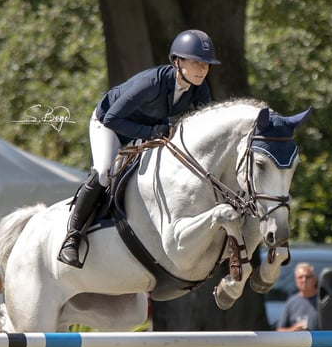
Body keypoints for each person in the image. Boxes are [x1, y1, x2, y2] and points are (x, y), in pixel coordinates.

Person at [58, 29, 221, 267]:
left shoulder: (200, 88)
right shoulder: (151, 83)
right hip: (109, 125)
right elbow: (113, 118)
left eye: (206, 64)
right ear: (177, 61)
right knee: (104, 172)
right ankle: (71, 238)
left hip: (148, 126)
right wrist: (150, 133)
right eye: (196, 62)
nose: (202, 69)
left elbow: (207, 126)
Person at [276, 262, 332, 347]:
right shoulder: (291, 302)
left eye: (307, 277)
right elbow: (279, 331)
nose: (304, 280)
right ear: (296, 281)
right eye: (300, 277)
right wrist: (293, 329)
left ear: (314, 279)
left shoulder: (325, 300)